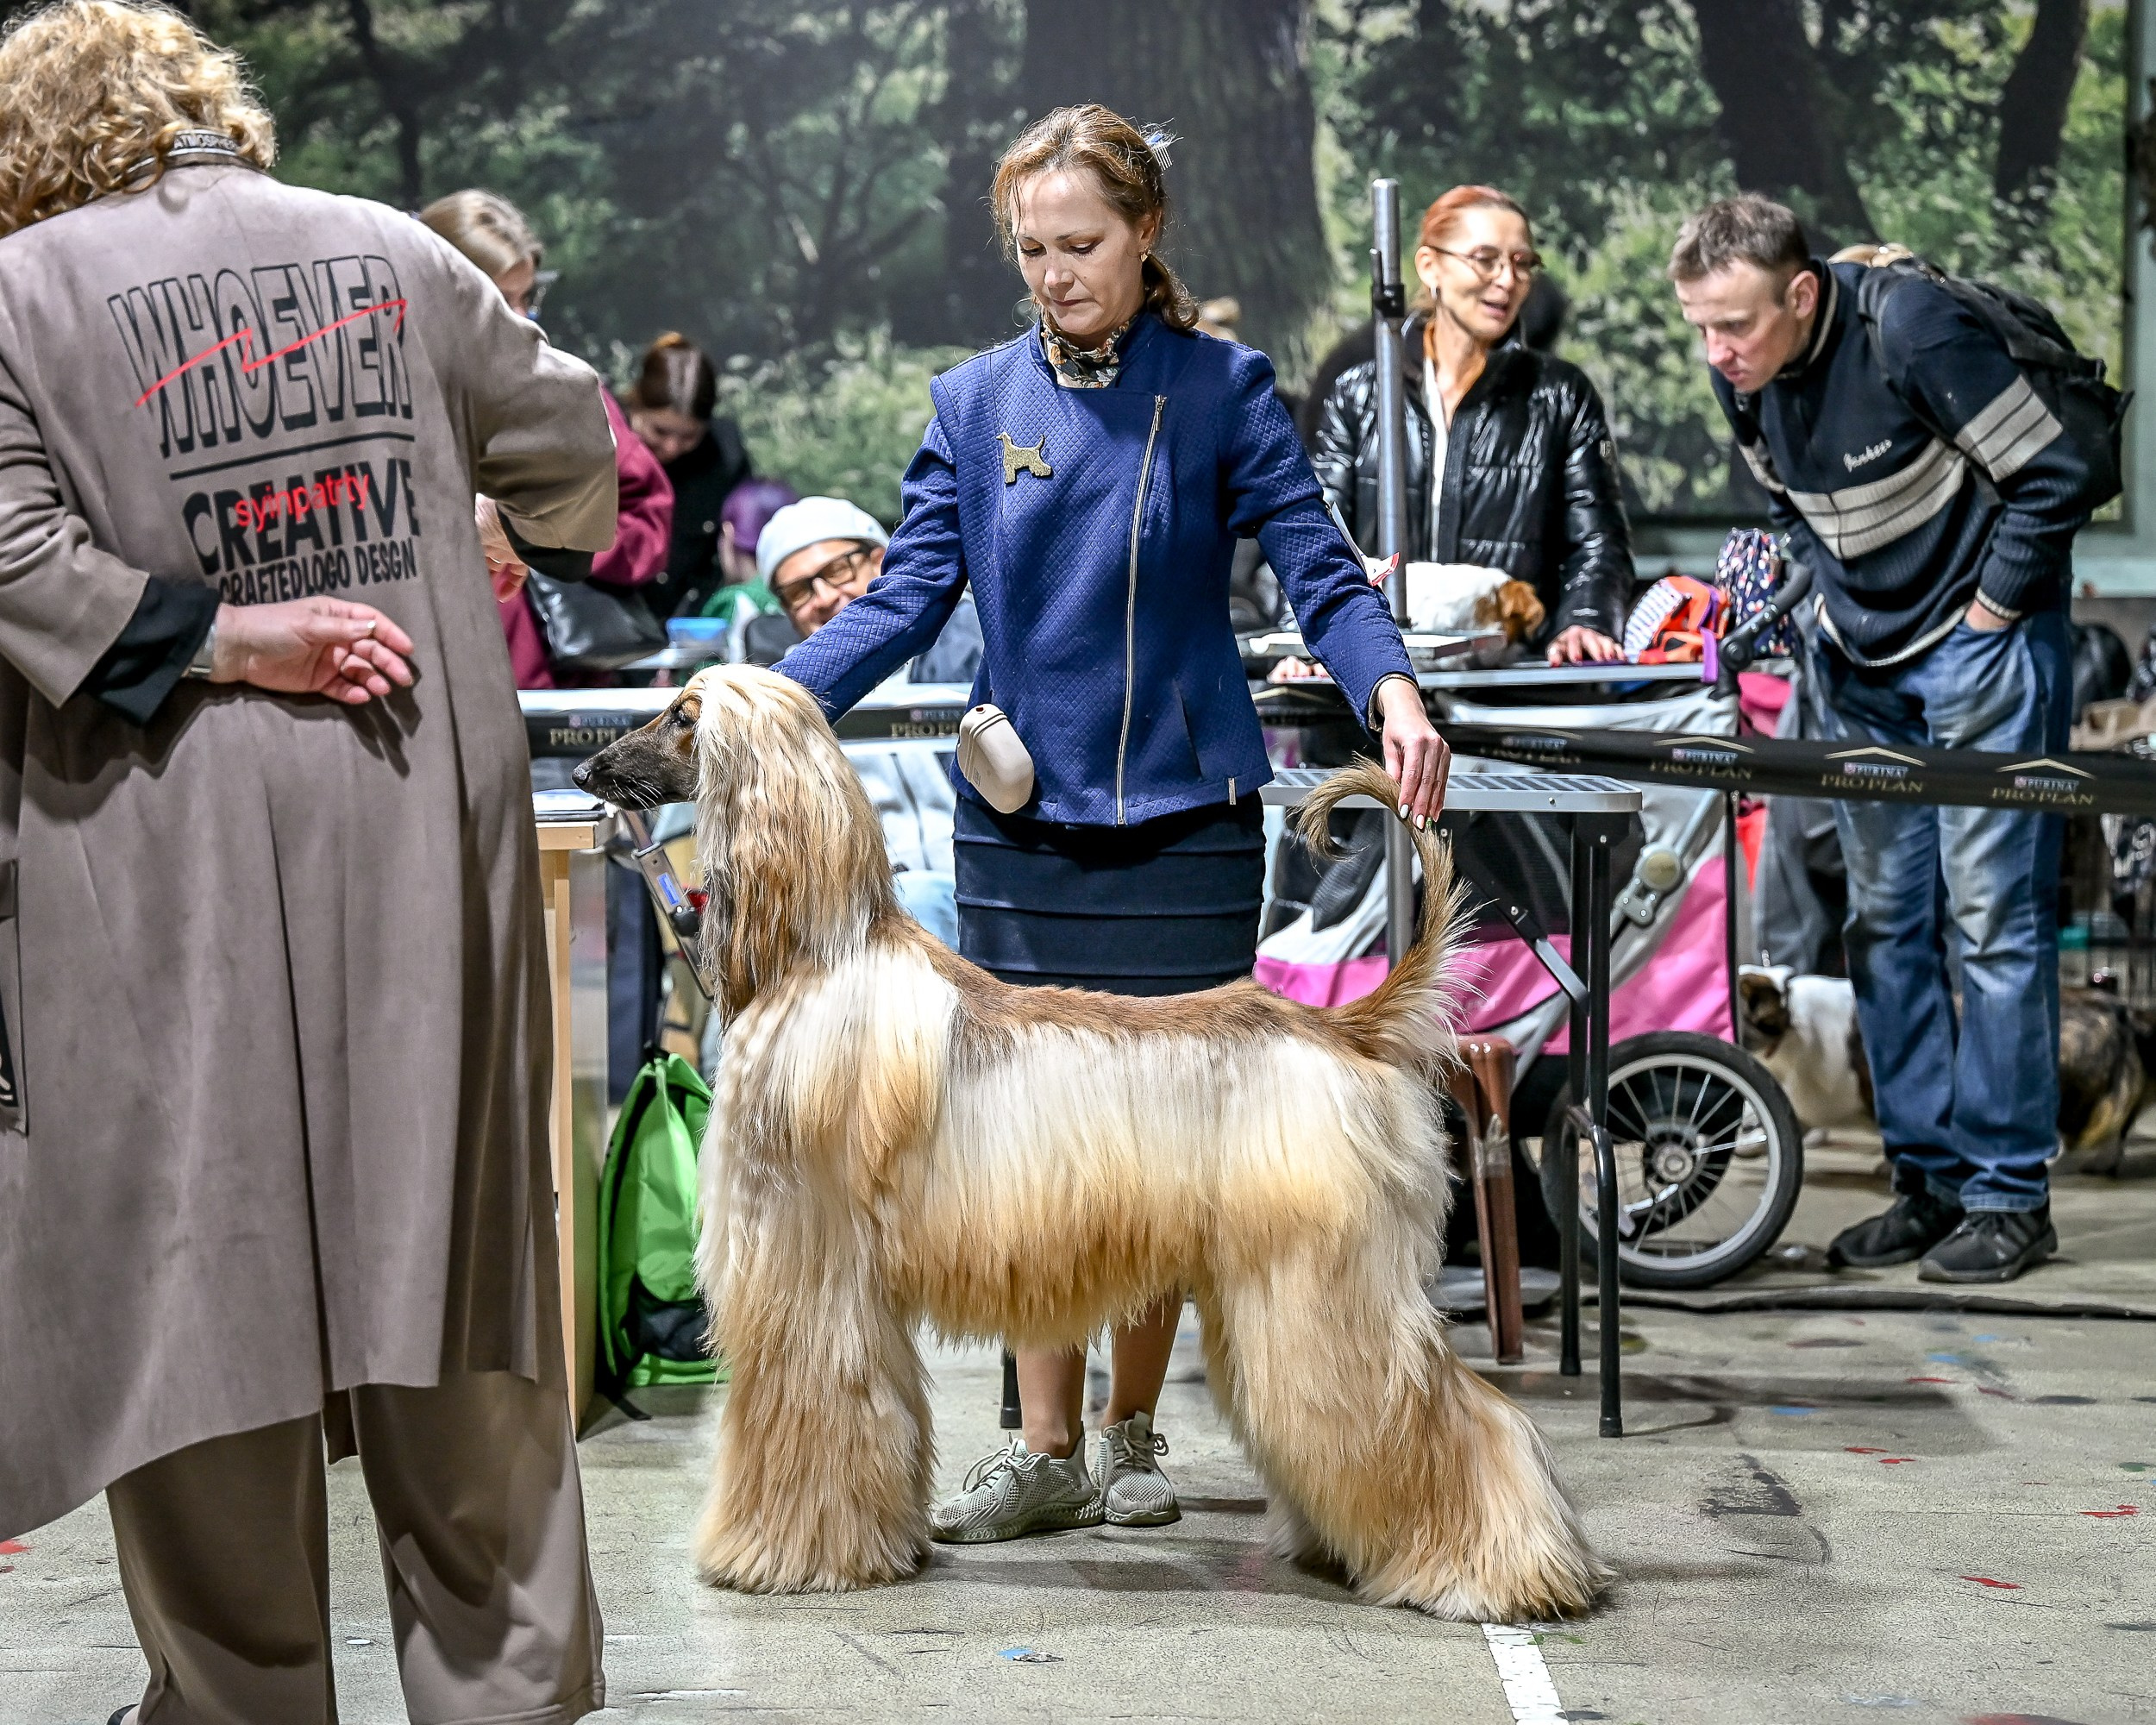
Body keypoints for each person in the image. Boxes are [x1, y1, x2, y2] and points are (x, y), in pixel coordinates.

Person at [0, 5, 621, 1721]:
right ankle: (501, 1692)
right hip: (418, 826)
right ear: (207, 106)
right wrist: (469, 506)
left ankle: (236, 1700)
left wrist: (225, 638)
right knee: (455, 1265)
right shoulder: (396, 255)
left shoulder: (15, 293)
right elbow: (579, 464)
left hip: (150, 863)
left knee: (197, 1287)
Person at [774, 103, 1446, 1543]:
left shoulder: (1223, 389)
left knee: (1168, 1150)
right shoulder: (971, 403)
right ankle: (1043, 1446)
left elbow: (1321, 571)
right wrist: (769, 699)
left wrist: (1390, 689)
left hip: (1191, 820)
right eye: (1033, 249)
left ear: (1146, 237)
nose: (1057, 273)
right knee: (1029, 1150)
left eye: (1083, 244)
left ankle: (1136, 1432)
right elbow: (902, 600)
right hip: (1024, 827)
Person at [1671, 194, 2093, 1283]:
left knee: (1992, 920)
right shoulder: (1744, 381)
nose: (1717, 353)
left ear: (1802, 294)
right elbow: (1793, 513)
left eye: (1736, 327)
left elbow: (2054, 477)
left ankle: (2007, 1195)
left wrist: (1992, 613)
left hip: (1979, 645)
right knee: (1886, 923)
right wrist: (1821, 610)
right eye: (1701, 329)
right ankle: (1930, 1180)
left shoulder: (1908, 327)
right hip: (1860, 661)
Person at [1312, 185, 1632, 666]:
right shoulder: (1358, 394)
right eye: (1485, 259)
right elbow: (1314, 537)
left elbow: (1597, 542)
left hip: (1504, 693)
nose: (1507, 280)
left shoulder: (1561, 395)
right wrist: (1304, 637)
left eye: (1523, 263)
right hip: (1372, 685)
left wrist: (1584, 621)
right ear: (1429, 266)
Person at [421, 190, 674, 690]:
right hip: (425, 679)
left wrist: (553, 534)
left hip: (555, 695)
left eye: (527, 297)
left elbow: (648, 520)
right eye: (496, 299)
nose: (518, 319)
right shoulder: (374, 396)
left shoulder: (565, 392)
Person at [757, 494, 983, 683]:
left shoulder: (964, 640)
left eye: (837, 571)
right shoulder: (783, 692)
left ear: (880, 562)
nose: (824, 599)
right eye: (797, 592)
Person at [624, 331, 755, 619]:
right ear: (636, 405)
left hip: (690, 617)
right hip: (610, 612)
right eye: (660, 431)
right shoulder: (605, 440)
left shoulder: (723, 454)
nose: (672, 447)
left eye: (688, 436)